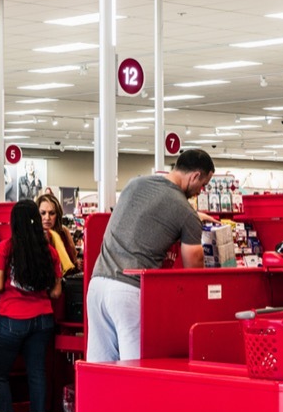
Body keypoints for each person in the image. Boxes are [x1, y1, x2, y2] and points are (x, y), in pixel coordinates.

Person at [86, 149, 214, 363]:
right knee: (135, 370)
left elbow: (148, 213)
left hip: (97, 284)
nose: (201, 191)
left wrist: (193, 217)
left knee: (100, 369)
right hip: (129, 291)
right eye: (203, 185)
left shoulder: (135, 184)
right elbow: (194, 266)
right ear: (195, 176)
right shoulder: (185, 212)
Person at [0, 199, 62, 412]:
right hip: (43, 319)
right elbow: (56, 292)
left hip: (12, 318)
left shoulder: (6, 248)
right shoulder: (49, 251)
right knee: (37, 374)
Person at [36, 192, 78, 273]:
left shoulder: (63, 232)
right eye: (43, 213)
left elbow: (73, 260)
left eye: (52, 213)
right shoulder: (32, 235)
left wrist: (77, 264)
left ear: (57, 215)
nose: (47, 217)